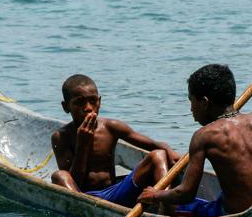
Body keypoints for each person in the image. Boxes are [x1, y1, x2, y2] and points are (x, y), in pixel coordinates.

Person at [137, 64, 252, 217]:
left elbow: (185, 194)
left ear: (205, 102)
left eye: (191, 101)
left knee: (174, 207)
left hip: (231, 213)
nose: (191, 109)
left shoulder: (204, 136)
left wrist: (155, 194)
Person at [50, 74, 180, 206]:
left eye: (93, 101)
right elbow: (74, 181)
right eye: (79, 102)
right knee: (59, 176)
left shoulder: (111, 127)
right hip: (84, 197)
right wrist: (83, 146)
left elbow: (153, 144)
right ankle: (86, 211)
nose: (88, 108)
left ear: (99, 102)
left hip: (115, 192)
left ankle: (167, 207)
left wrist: (169, 150)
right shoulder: (61, 137)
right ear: (66, 107)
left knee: (159, 154)